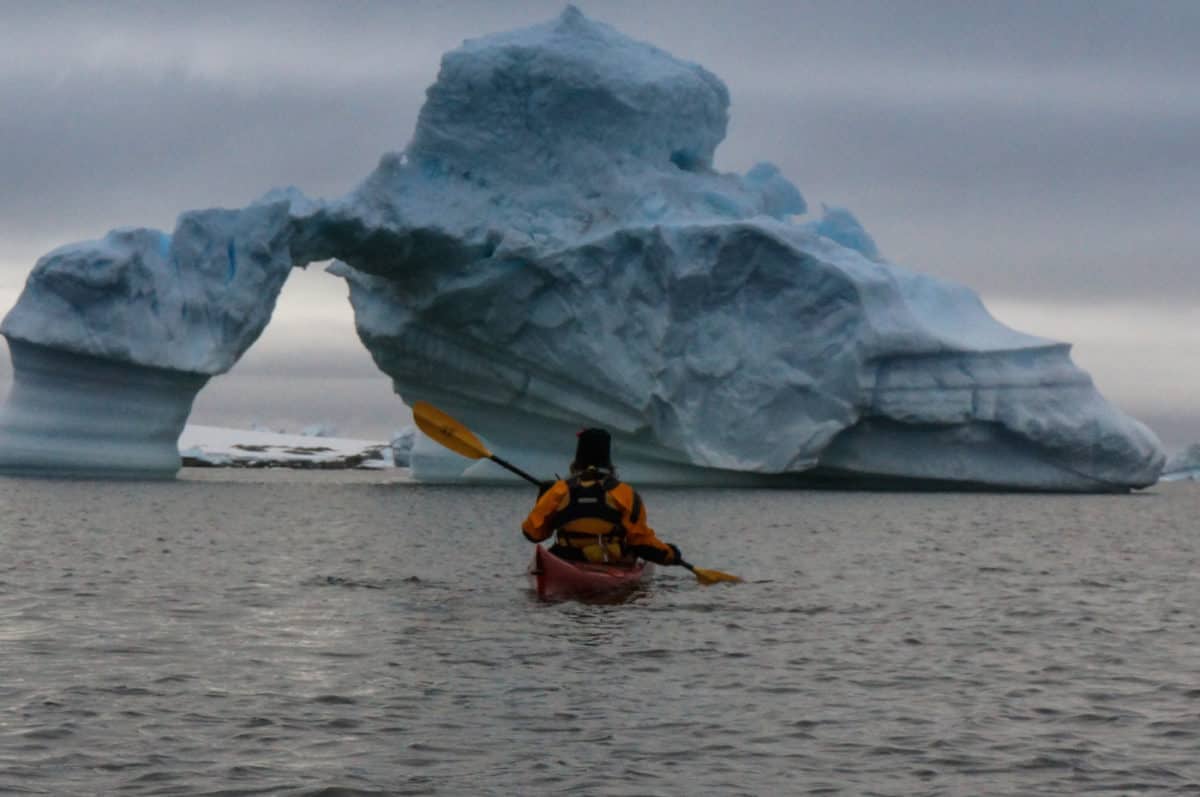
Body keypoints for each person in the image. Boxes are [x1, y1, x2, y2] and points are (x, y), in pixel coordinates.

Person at [521, 428, 683, 567]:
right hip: (609, 562)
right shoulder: (625, 494)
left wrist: (543, 497)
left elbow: (533, 533)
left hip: (566, 559)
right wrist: (669, 554)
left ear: (577, 460)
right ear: (608, 461)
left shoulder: (559, 490)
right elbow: (640, 543)